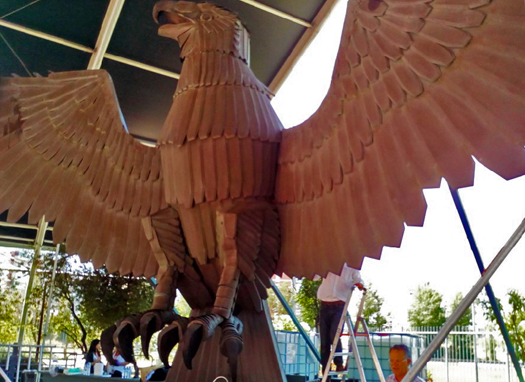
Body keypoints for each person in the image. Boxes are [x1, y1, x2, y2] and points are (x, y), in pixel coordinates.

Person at [317, 264, 365, 374]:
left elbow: (357, 277)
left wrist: (360, 284)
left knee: (334, 334)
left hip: (339, 305)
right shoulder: (329, 260)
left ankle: (338, 363)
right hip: (324, 304)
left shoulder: (352, 265)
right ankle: (325, 370)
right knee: (324, 341)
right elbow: (316, 275)